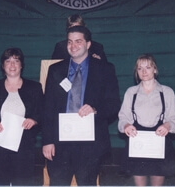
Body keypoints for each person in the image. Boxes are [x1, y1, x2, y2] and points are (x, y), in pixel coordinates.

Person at [42, 26, 121, 186]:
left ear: (88, 44)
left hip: (90, 144)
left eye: (78, 41)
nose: (73, 46)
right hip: (59, 143)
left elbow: (114, 104)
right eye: (70, 42)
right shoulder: (55, 70)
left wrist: (95, 109)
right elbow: (48, 107)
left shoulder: (105, 69)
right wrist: (47, 140)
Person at [0, 47, 43, 186]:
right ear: (3, 65)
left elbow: (42, 112)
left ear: (21, 65)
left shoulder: (34, 87)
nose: (12, 65)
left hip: (24, 145)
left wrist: (34, 120)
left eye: (16, 61)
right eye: (8, 61)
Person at [118, 54, 175, 186]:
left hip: (159, 143)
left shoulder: (167, 92)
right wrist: (126, 126)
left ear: (155, 69)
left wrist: (167, 125)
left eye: (148, 67)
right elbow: (123, 117)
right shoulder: (131, 92)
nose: (144, 71)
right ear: (136, 72)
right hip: (138, 143)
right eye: (140, 68)